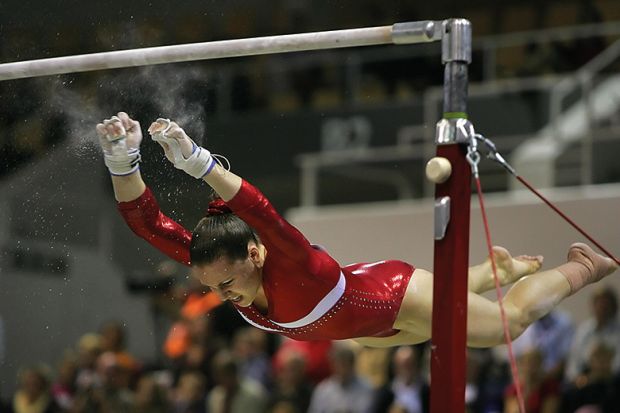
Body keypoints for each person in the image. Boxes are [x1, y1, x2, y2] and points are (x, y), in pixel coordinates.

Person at [96, 112, 619, 348]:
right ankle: (495, 269)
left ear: (255, 254)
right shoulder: (217, 261)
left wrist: (199, 165)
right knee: (444, 323)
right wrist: (123, 166)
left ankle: (584, 266)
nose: (222, 295)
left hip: (393, 296)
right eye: (214, 289)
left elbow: (260, 209)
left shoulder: (291, 259)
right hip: (371, 334)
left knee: (506, 326)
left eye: (226, 284)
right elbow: (147, 225)